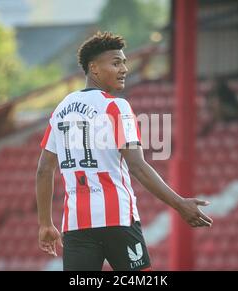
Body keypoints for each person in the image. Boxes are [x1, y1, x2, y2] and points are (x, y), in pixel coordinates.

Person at [36, 31, 213, 271]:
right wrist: (180, 203)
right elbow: (137, 166)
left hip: (77, 224)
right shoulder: (116, 106)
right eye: (116, 62)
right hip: (117, 218)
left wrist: (45, 223)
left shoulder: (61, 108)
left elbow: (44, 169)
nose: (124, 69)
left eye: (124, 63)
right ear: (94, 68)